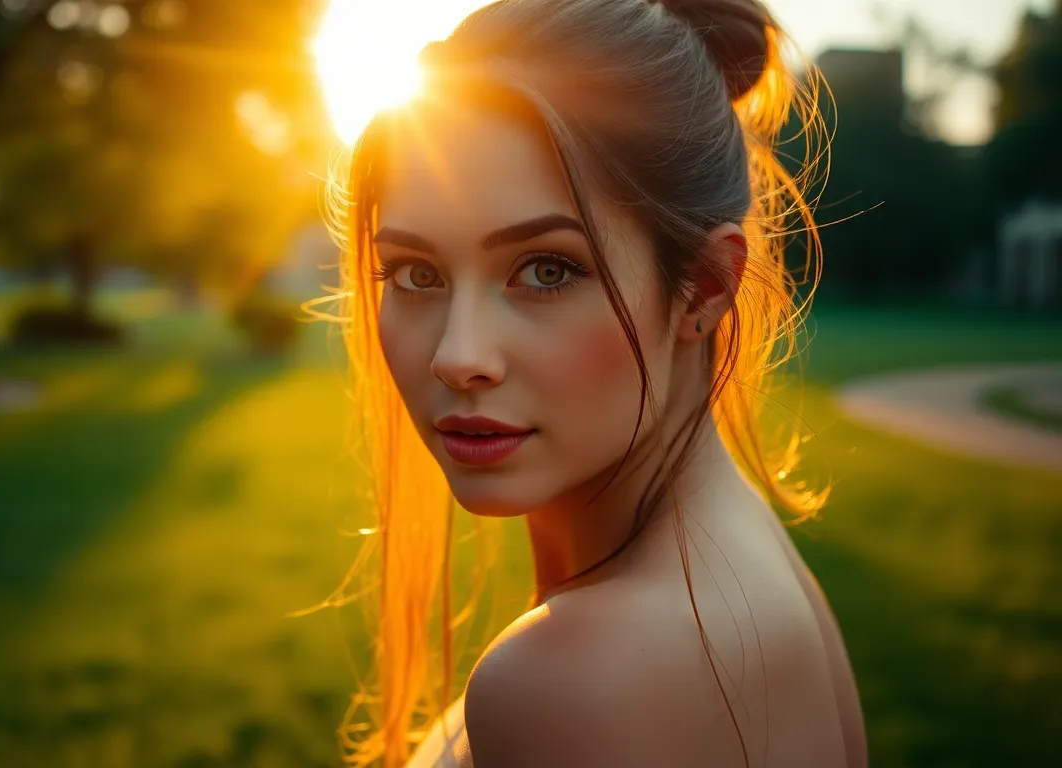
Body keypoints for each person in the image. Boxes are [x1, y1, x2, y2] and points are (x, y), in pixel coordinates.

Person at [314, 0, 867, 765]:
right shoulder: (737, 564)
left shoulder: (575, 677)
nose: (456, 356)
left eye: (546, 270)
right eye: (416, 273)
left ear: (705, 288)